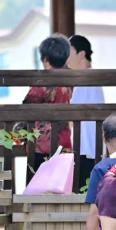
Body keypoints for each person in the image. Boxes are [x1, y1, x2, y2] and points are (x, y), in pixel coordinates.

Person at [23, 34, 74, 170]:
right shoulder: (71, 78)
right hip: (64, 138)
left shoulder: (42, 80)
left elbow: (28, 104)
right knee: (61, 179)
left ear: (45, 59)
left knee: (39, 179)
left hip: (42, 143)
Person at [68, 35, 105, 187]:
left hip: (86, 146)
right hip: (87, 145)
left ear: (81, 54)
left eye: (69, 52)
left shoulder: (87, 78)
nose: (66, 57)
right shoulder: (85, 78)